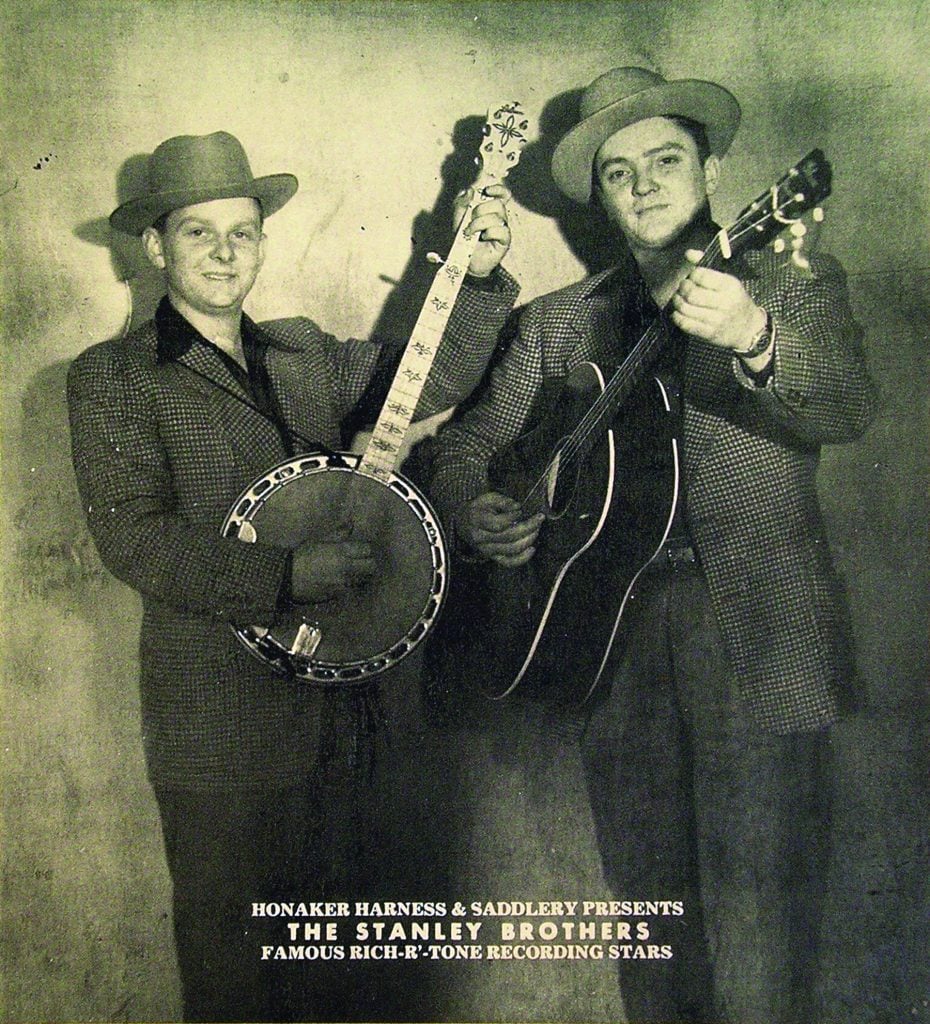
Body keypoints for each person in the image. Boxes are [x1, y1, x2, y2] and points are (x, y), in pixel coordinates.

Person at [428, 68, 875, 1023]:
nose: (643, 185)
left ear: (712, 168)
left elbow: (847, 403)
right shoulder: (555, 322)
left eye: (666, 159)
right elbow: (463, 445)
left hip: (757, 633)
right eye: (619, 172)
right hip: (606, 636)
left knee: (765, 935)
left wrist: (753, 333)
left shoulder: (789, 278)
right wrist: (474, 507)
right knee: (651, 925)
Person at [67, 129, 516, 1022]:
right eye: (200, 233)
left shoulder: (304, 352)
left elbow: (426, 377)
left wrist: (477, 274)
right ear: (155, 248)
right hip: (217, 733)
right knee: (234, 980)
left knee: (335, 983)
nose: (227, 252)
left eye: (243, 231)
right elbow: (136, 540)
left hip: (341, 718)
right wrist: (285, 573)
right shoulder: (114, 377)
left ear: (264, 243)